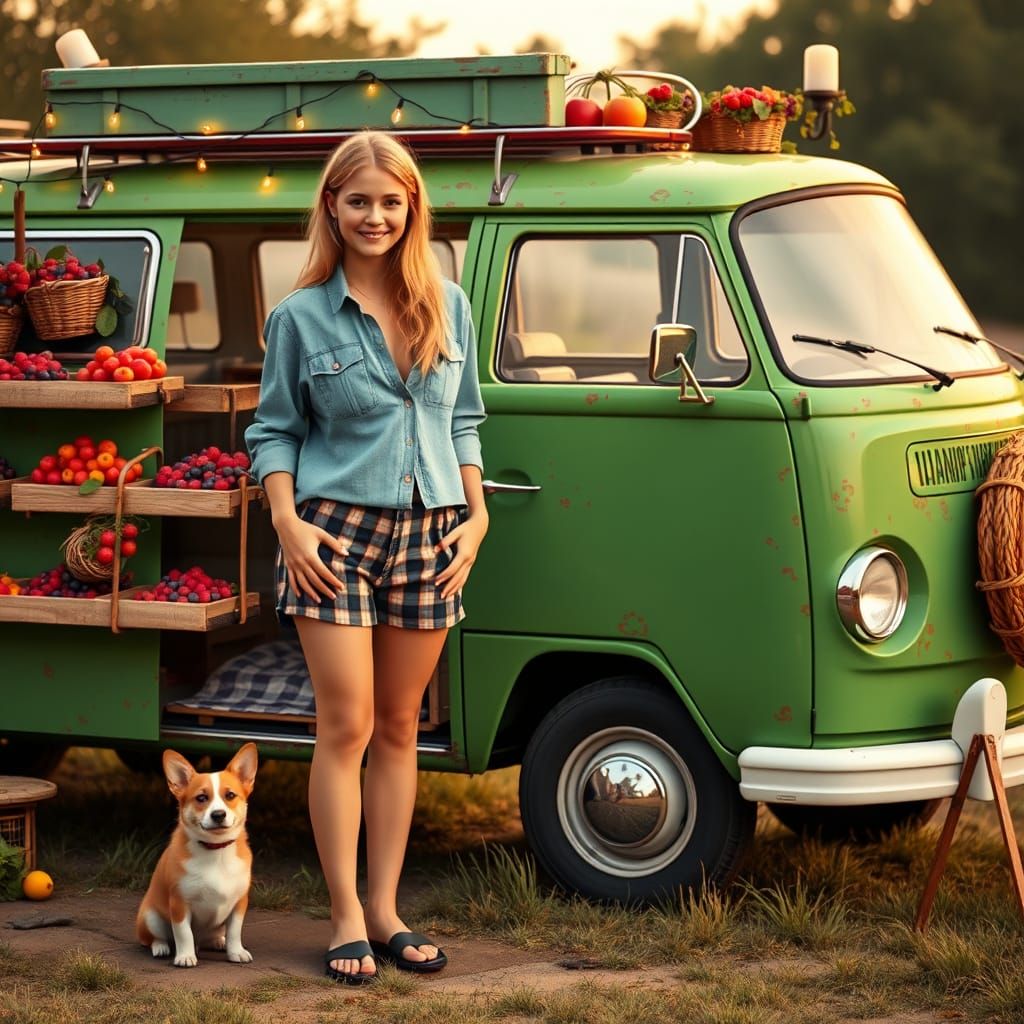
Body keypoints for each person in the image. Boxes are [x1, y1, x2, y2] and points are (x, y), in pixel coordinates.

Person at [245, 130, 488, 985]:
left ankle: (386, 910)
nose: (375, 216)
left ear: (411, 207)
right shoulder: (300, 316)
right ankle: (344, 914)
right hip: (332, 535)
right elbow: (273, 429)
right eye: (359, 201)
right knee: (344, 725)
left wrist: (479, 512)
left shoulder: (447, 303)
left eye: (391, 201)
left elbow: (464, 420)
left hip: (432, 530)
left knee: (398, 729)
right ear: (332, 208)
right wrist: (286, 522)